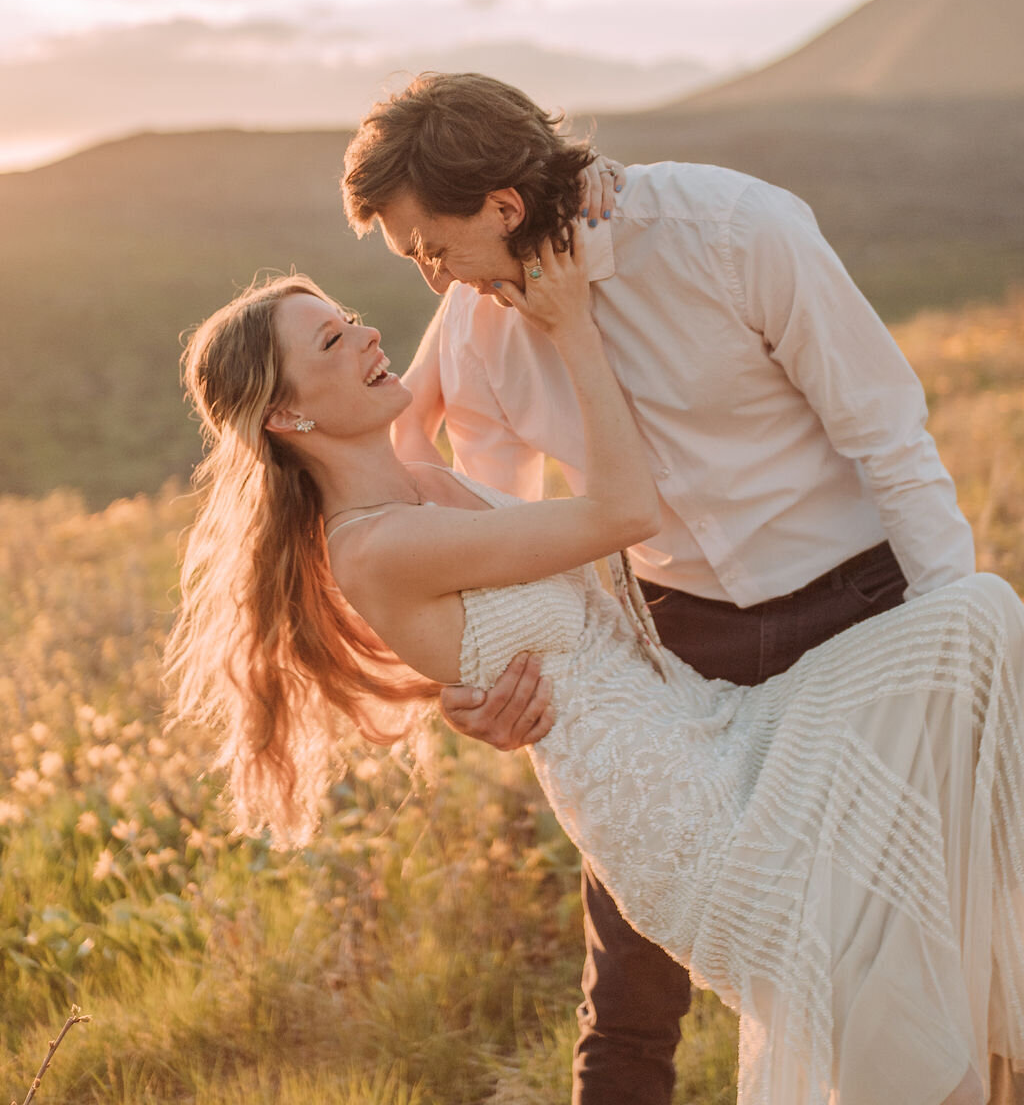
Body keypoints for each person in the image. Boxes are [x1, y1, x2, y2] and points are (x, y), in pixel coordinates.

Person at [167, 254, 1023, 1105]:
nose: (366, 332)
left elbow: (450, 318)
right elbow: (623, 512)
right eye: (332, 338)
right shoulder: (374, 543)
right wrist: (570, 324)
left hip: (707, 724)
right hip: (669, 805)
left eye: (351, 314)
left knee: (974, 637)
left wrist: (498, 245)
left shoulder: (413, 474)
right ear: (285, 413)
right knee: (883, 991)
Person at [340, 71, 981, 1105]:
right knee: (632, 955)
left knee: (894, 920)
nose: (433, 281)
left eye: (432, 248)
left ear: (504, 207)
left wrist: (955, 639)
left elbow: (887, 437)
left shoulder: (736, 230)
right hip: (669, 641)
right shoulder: (474, 327)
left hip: (860, 614)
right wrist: (485, 677)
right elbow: (499, 542)